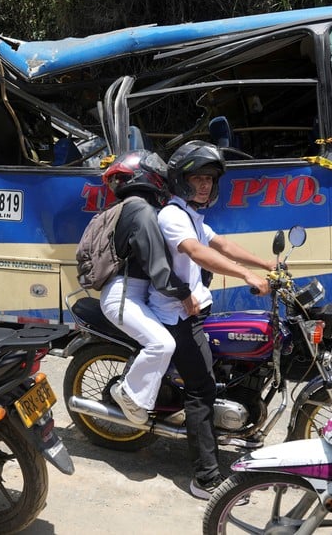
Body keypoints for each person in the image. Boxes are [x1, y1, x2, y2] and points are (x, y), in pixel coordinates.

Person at [148, 140, 272, 500]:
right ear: (181, 180)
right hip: (176, 315)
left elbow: (222, 245)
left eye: (209, 179)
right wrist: (246, 277)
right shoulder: (172, 215)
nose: (204, 185)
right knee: (200, 390)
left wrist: (266, 266)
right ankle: (205, 478)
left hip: (196, 309)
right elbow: (198, 253)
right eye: (197, 178)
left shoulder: (192, 216)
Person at [98, 150, 199, 425]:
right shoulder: (140, 209)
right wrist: (183, 293)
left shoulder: (140, 208)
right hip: (124, 296)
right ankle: (127, 394)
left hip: (135, 295)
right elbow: (157, 263)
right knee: (162, 344)